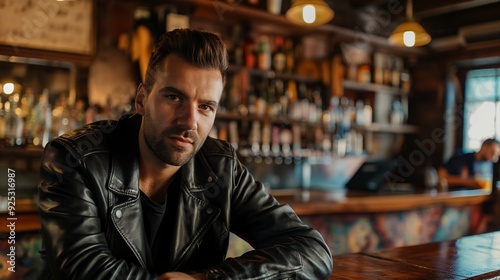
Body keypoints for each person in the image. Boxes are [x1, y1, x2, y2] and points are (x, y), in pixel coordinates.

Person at [38, 28, 333, 279]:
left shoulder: (221, 168)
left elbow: (311, 250)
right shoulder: (74, 159)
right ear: (142, 100)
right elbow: (82, 268)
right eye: (174, 97)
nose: (189, 121)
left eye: (205, 106)